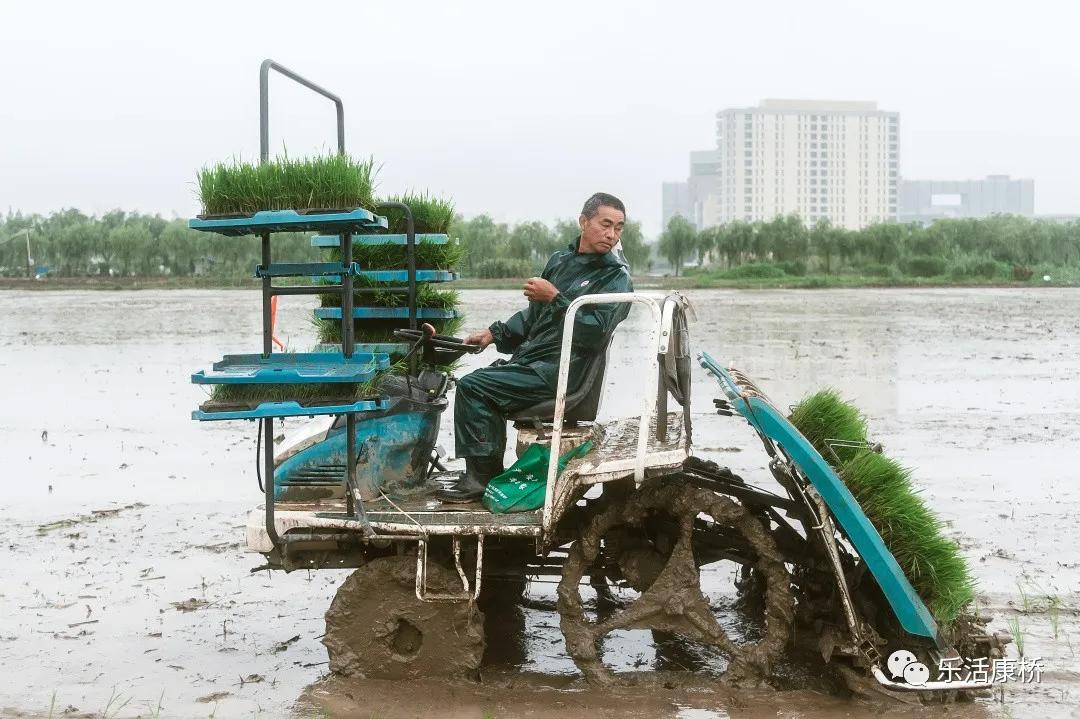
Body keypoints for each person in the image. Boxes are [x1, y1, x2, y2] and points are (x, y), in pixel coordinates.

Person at [438, 192, 634, 503]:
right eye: (605, 224)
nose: (612, 234)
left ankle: (481, 479)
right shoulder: (560, 261)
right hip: (535, 362)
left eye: (619, 228)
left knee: (474, 387)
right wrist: (494, 334)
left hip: (563, 371)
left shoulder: (615, 277)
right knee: (480, 381)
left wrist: (555, 297)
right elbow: (533, 318)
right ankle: (489, 471)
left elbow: (595, 332)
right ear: (584, 222)